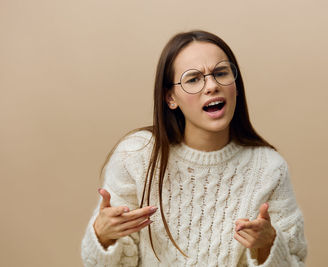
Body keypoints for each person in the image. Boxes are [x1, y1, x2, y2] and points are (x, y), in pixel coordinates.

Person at [81, 30, 307, 267]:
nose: (211, 86)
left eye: (220, 73)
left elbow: (294, 261)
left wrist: (268, 245)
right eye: (193, 79)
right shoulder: (137, 155)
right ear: (171, 98)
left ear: (236, 86)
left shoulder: (270, 168)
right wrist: (103, 235)